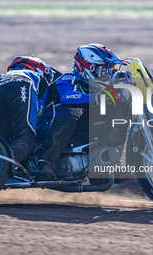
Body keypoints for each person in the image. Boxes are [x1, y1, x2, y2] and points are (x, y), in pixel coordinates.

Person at [36, 43, 121, 180]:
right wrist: (96, 97)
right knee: (67, 119)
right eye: (103, 71)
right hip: (47, 129)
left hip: (71, 134)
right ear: (88, 68)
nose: (107, 75)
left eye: (111, 70)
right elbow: (66, 98)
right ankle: (45, 164)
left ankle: (98, 165)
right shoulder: (68, 79)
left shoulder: (94, 90)